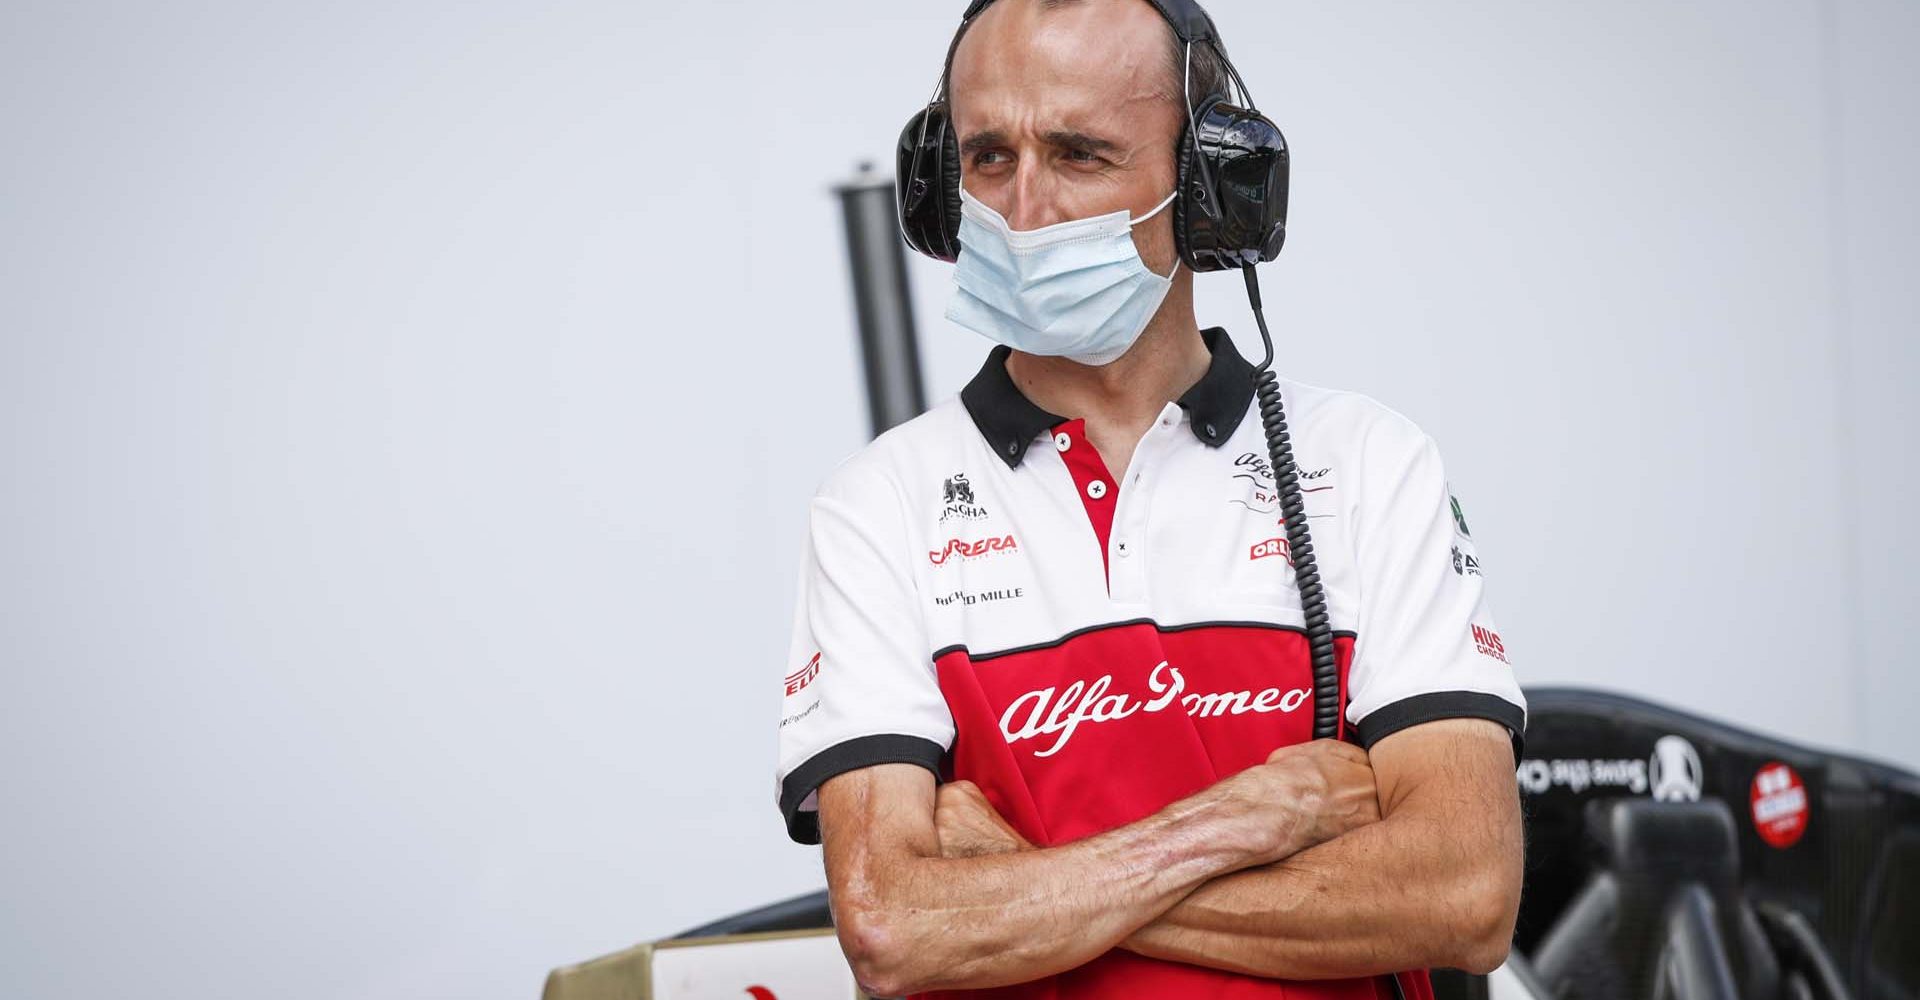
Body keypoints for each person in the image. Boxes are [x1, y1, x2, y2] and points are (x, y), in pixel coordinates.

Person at [774, 1, 1526, 996]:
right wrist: (1238, 825)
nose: (1023, 209)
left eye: (1081, 154)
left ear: (1214, 188)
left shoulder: (1370, 466)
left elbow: (1463, 892)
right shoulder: (877, 506)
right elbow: (893, 926)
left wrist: (1020, 888)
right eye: (989, 158)